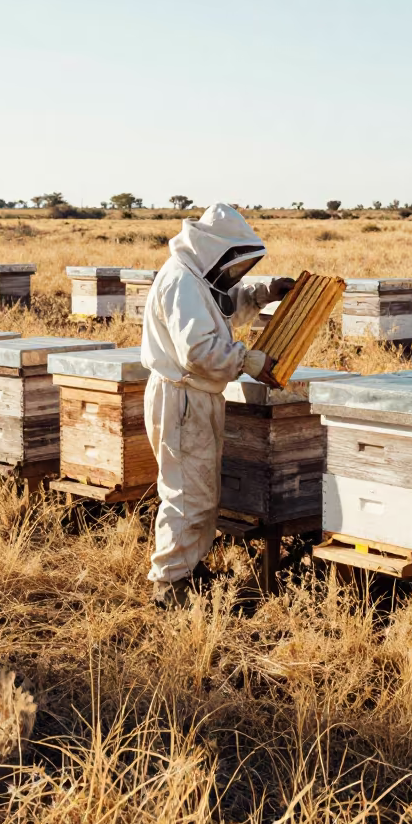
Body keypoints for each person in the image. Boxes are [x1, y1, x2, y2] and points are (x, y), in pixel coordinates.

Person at [141, 202, 294, 608]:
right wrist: (247, 360)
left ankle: (188, 567)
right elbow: (199, 350)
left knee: (200, 492)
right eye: (234, 264)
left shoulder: (195, 278)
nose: (235, 273)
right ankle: (170, 584)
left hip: (195, 395)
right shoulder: (180, 282)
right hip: (184, 395)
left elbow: (223, 306)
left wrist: (263, 292)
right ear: (216, 252)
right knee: (186, 494)